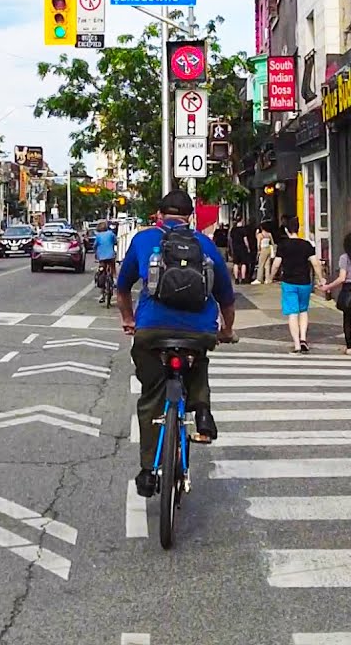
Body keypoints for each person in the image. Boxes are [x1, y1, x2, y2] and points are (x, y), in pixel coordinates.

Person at [116, 190, 237, 498]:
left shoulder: (143, 241)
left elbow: (122, 288)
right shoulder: (205, 244)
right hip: (198, 331)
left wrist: (130, 319)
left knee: (151, 395)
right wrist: (226, 330)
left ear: (159, 214)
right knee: (198, 358)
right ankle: (204, 412)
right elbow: (226, 296)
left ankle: (147, 470)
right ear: (190, 216)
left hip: (151, 331)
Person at [270, 218, 323, 353]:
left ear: (287, 230)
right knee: (303, 311)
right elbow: (315, 263)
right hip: (305, 282)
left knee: (293, 313)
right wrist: (320, 278)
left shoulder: (283, 246)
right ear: (298, 229)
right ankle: (304, 338)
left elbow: (276, 264)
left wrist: (270, 277)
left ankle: (297, 344)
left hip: (289, 283)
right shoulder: (306, 245)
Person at [93, 220, 119, 303]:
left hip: (102, 257)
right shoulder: (111, 234)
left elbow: (95, 245)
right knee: (113, 267)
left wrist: (95, 252)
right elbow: (115, 242)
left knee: (101, 271)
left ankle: (102, 293)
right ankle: (115, 281)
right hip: (111, 255)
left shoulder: (98, 236)